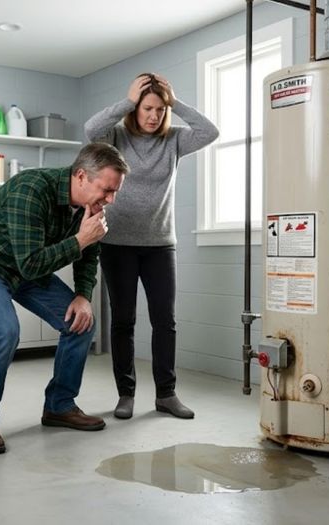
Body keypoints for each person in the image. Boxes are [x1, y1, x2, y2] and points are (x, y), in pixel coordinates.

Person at [0, 142, 129, 454]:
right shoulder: (31, 189)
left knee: (82, 322)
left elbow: (88, 256)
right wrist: (80, 239)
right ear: (81, 177)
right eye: (106, 190)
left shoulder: (90, 207)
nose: (110, 200)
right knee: (5, 331)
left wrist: (83, 296)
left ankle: (59, 405)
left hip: (23, 268)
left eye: (115, 191)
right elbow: (32, 262)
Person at [84, 73, 219, 420]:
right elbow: (90, 129)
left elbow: (210, 132)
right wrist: (127, 101)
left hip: (160, 245)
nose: (154, 115)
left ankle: (166, 394)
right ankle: (125, 395)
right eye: (147, 107)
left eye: (161, 109)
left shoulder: (173, 140)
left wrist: (177, 101)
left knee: (165, 321)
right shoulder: (115, 137)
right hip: (118, 244)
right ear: (135, 108)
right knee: (123, 321)